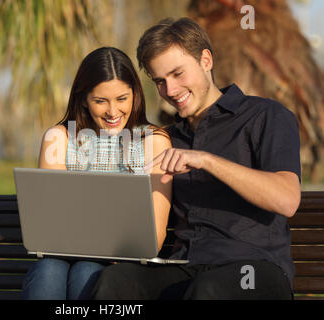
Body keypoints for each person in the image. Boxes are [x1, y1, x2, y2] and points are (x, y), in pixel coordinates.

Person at [90, 17, 301, 300]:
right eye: (160, 82)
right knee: (116, 281)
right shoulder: (165, 139)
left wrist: (206, 160)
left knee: (207, 290)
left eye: (178, 74)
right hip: (186, 266)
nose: (171, 91)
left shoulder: (266, 116)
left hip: (255, 271)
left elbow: (286, 199)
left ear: (206, 60)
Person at [22, 46, 173, 300]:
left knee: (87, 271)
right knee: (49, 270)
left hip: (119, 263)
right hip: (60, 257)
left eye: (122, 99)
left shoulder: (154, 141)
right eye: (101, 101)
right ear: (83, 99)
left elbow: (154, 238)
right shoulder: (60, 138)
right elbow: (49, 227)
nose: (113, 112)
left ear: (135, 95)